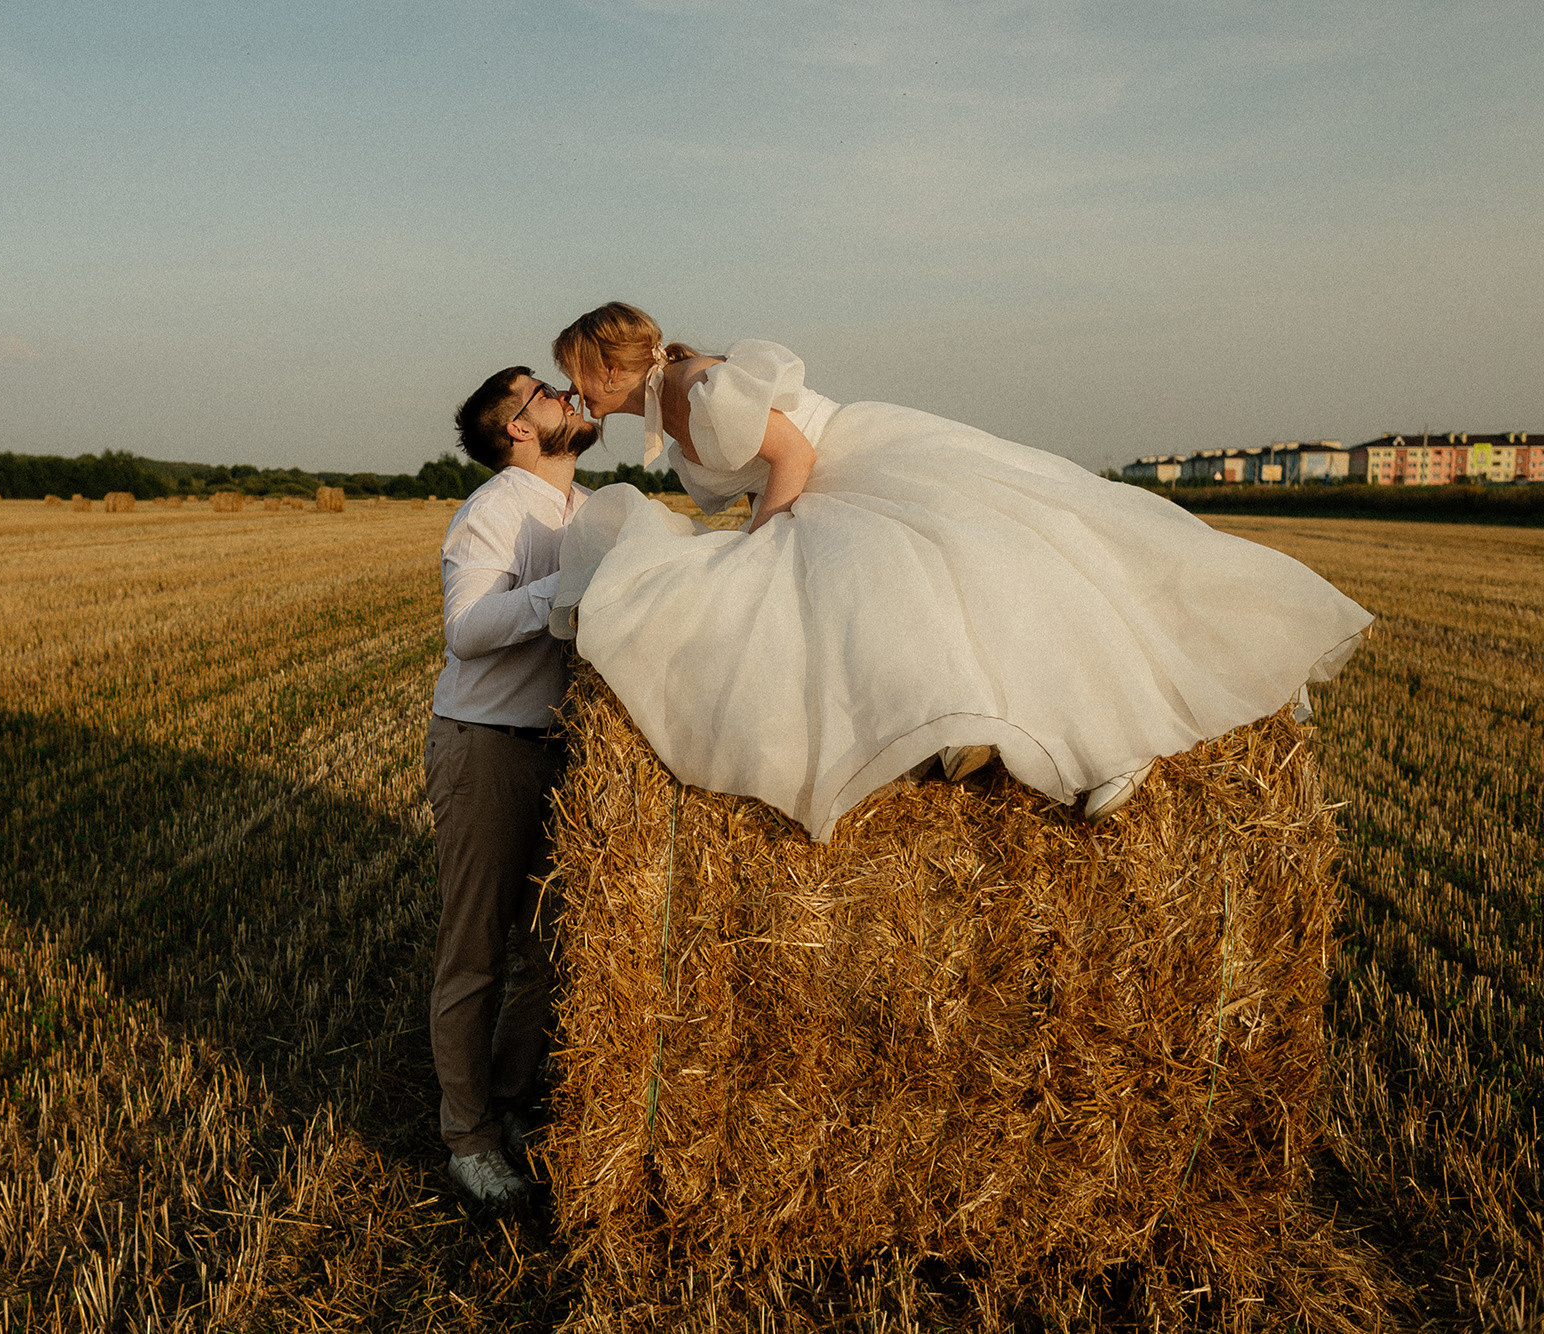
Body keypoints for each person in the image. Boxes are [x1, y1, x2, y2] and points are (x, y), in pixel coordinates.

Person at [546, 301, 1373, 841]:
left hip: (849, 468)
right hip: (820, 484)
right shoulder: (673, 400)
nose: (572, 392)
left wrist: (761, 537)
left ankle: (1107, 738)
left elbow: (791, 456)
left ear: (608, 366)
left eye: (576, 376)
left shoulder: (695, 384)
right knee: (908, 609)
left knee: (995, 578)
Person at [426, 365, 597, 1209]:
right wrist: (565, 588)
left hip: (557, 750)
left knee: (547, 948)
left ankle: (510, 1103)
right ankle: (468, 1141)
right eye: (549, 393)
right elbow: (467, 629)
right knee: (476, 954)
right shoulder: (496, 508)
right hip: (487, 748)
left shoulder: (580, 508)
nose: (571, 394)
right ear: (521, 430)